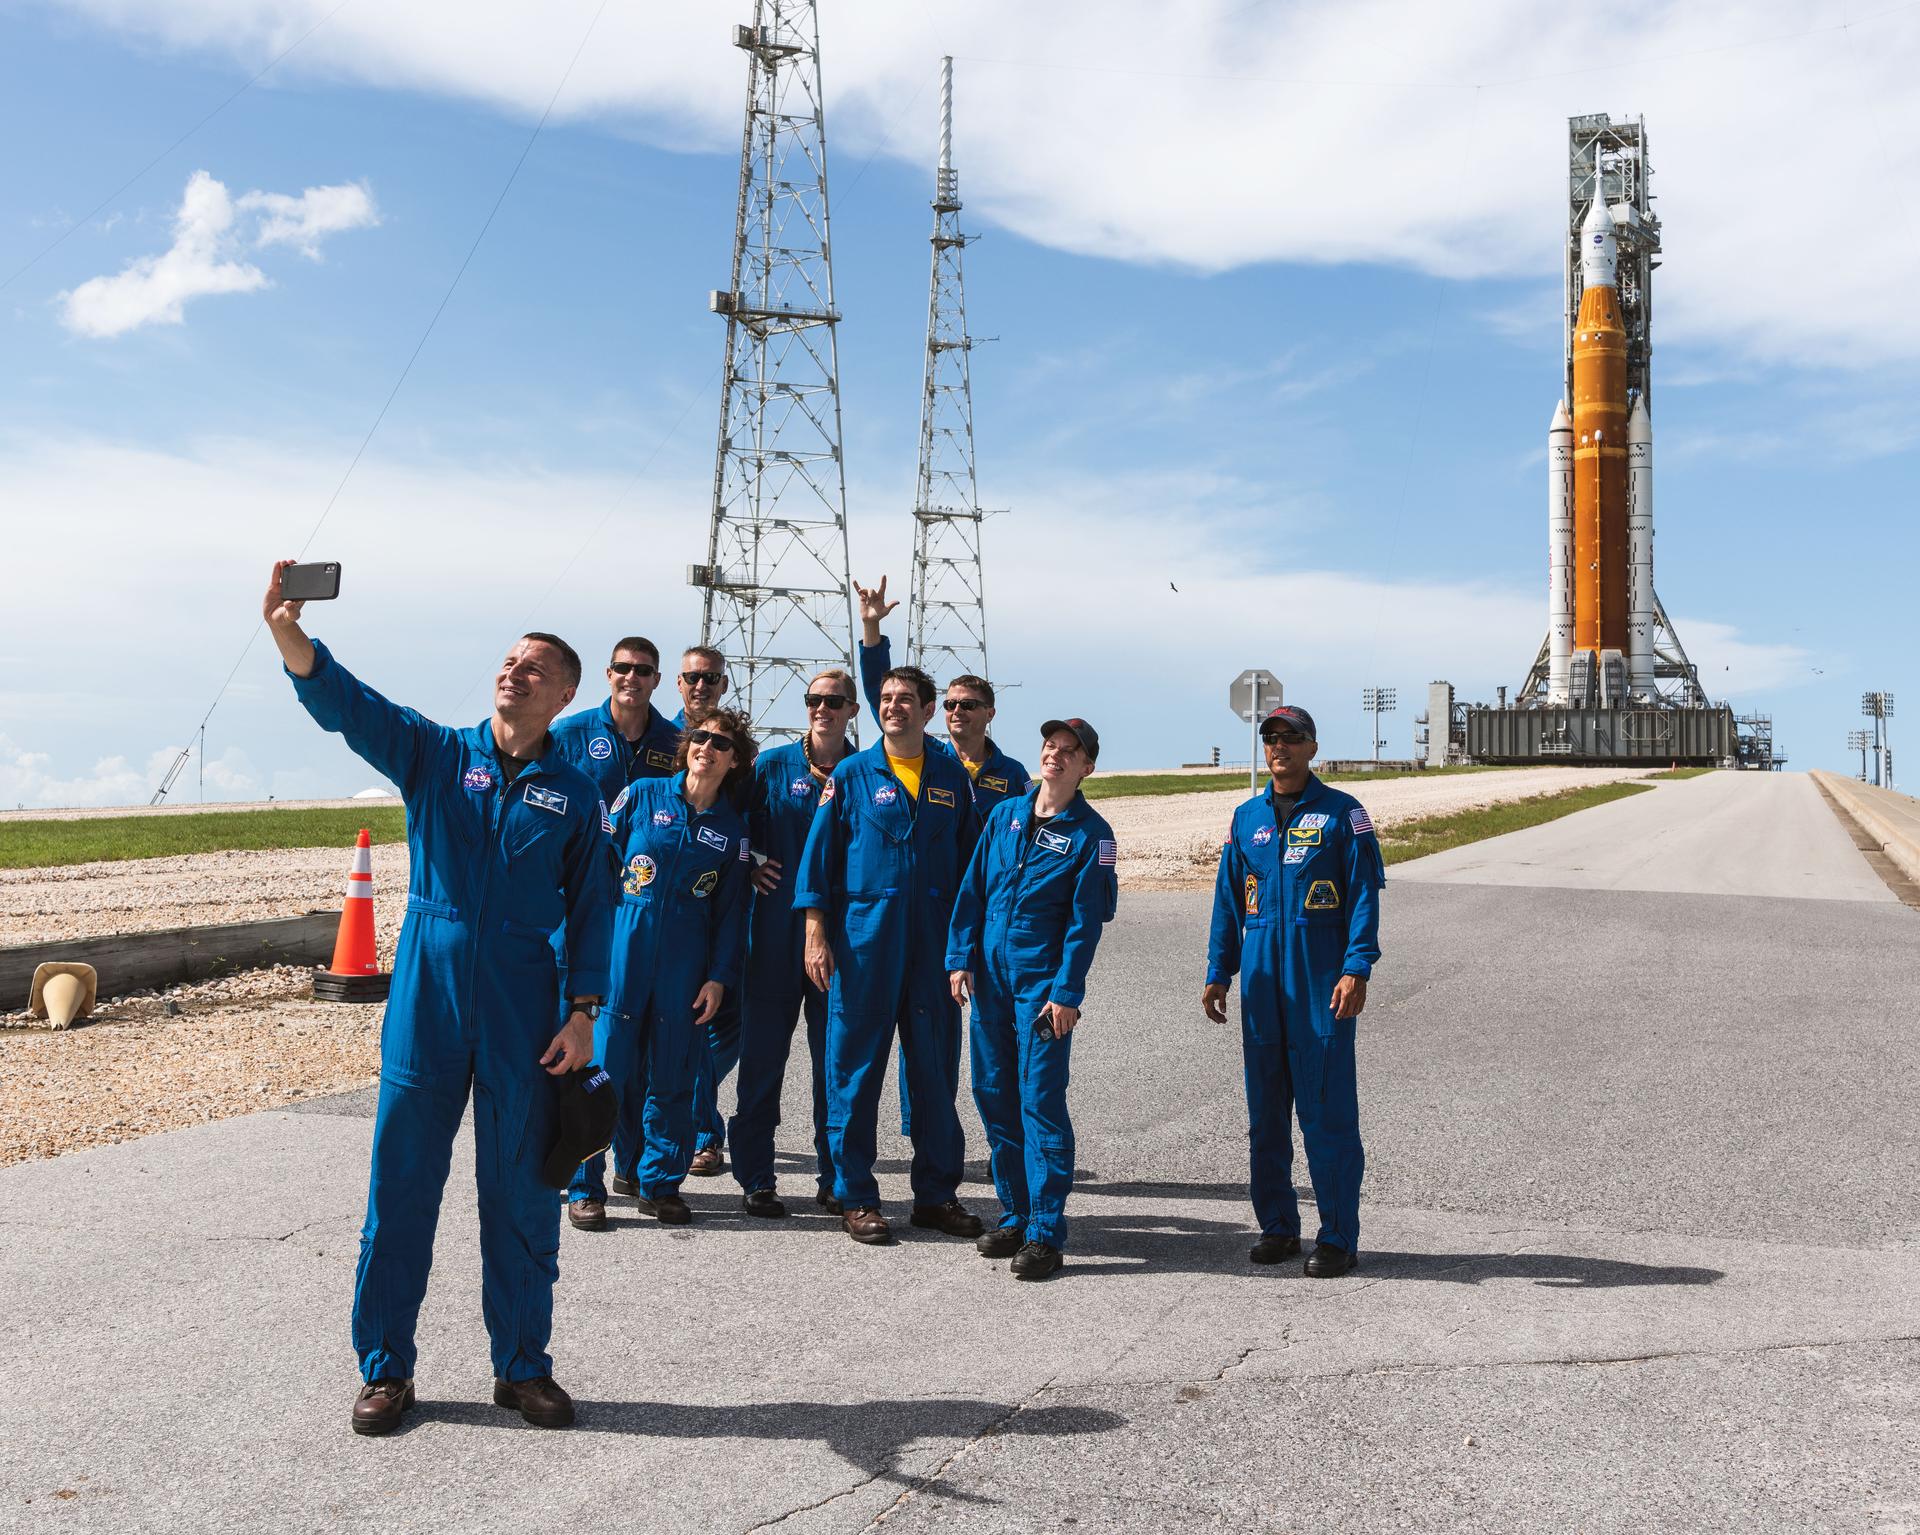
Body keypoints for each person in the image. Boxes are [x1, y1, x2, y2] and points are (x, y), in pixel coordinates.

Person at [263, 559, 612, 1436]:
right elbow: (352, 707)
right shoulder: (437, 754)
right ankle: (385, 1368)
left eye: (535, 667)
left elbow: (594, 909)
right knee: (402, 1185)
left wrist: (583, 1013)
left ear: (563, 694)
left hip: (525, 1009)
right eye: (509, 660)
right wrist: (290, 634)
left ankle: (522, 1366)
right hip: (429, 999)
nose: (514, 671)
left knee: (523, 1192)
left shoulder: (576, 797)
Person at [794, 663, 984, 1245]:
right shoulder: (851, 775)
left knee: (934, 1073)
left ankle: (936, 1195)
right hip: (864, 944)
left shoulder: (951, 777)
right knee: (853, 1071)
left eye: (905, 699)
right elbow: (818, 862)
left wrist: (967, 948)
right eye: (885, 697)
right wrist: (816, 934)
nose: (893, 706)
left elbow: (974, 869)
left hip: (933, 946)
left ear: (928, 711)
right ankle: (855, 1196)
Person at [1202, 705, 1384, 1278]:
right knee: (1266, 1117)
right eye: (1271, 738)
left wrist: (1356, 967)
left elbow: (1363, 895)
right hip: (1261, 986)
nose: (1279, 746)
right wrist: (1218, 970)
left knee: (1327, 1114)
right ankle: (1278, 1227)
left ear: (1312, 747)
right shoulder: (1246, 818)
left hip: (1318, 984)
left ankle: (1337, 1236)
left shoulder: (1343, 814)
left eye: (1291, 737)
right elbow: (1229, 898)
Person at [567, 708, 754, 1229]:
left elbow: (732, 913)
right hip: (623, 951)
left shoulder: (732, 831)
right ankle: (585, 1185)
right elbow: (597, 868)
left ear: (734, 761)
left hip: (685, 964)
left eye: (721, 743)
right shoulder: (642, 795)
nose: (707, 747)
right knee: (603, 1074)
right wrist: (587, 955)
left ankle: (660, 1183)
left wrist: (719, 977)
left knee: (673, 1076)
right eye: (700, 737)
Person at [947, 719, 1118, 1280]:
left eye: (1069, 751)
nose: (1055, 756)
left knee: (1039, 1100)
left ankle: (1045, 1231)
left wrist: (1067, 993)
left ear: (1086, 767)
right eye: (1050, 746)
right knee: (993, 1093)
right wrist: (959, 957)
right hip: (990, 982)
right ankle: (1016, 1213)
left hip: (1042, 988)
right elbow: (973, 891)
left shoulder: (1093, 836)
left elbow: (1085, 925)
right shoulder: (1005, 816)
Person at [728, 668, 861, 1217]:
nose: (821, 708)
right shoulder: (773, 764)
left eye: (833, 700)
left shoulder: (861, 771)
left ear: (852, 710)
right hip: (774, 935)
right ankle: (757, 1177)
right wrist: (749, 864)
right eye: (813, 699)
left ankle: (836, 1178)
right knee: (762, 1062)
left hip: (837, 937)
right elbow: (730, 825)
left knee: (834, 1065)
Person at [852, 576, 1030, 815]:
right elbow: (880, 689)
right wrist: (871, 625)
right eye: (950, 704)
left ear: (990, 713)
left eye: (967, 705)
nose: (957, 711)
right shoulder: (926, 751)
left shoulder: (1013, 773)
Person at [674, 644, 744, 1178]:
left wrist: (757, 861)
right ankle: (697, 1129)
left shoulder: (739, 755)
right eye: (693, 677)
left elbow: (757, 821)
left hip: (716, 905)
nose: (701, 686)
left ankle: (688, 1112)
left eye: (711, 678)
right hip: (644, 912)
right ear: (678, 683)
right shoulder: (660, 743)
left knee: (723, 1024)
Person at [550, 636, 680, 801]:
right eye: (622, 668)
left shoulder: (676, 742)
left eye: (643, 670)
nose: (631, 677)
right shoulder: (568, 732)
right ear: (609, 675)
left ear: (656, 680)